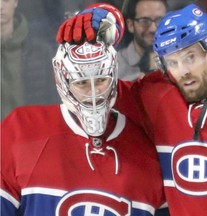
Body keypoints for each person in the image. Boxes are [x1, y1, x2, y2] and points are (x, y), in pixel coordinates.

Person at [56, 3, 207, 215]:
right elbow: (97, 86)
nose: (183, 71)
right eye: (172, 62)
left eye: (190, 57)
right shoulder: (158, 99)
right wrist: (105, 21)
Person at [0, 17, 167, 215]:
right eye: (81, 83)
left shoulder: (148, 148)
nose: (93, 93)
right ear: (62, 80)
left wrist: (110, 19)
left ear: (114, 75)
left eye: (101, 80)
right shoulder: (22, 129)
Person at [1, 0, 59, 120]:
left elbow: (54, 103)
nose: (0, 6)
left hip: (32, 133)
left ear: (15, 2)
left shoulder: (41, 52)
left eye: (5, 0)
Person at [117, 0, 169, 81]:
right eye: (144, 21)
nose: (153, 29)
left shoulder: (178, 59)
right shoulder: (114, 67)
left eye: (160, 21)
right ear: (130, 25)